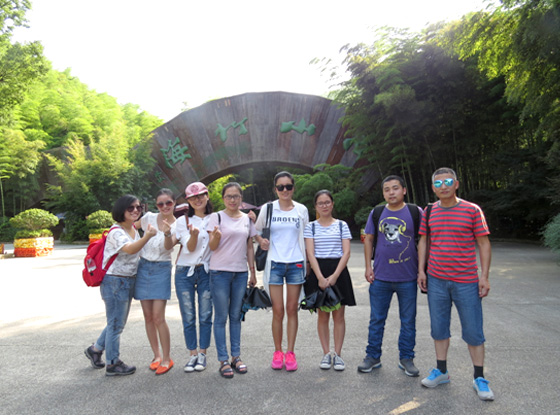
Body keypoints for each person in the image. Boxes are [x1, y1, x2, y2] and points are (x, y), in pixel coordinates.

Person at [417, 167, 494, 401]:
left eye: (448, 182)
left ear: (457, 184)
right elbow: (423, 241)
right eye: (438, 183)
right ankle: (441, 371)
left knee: (473, 330)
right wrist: (421, 271)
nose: (444, 186)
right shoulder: (429, 211)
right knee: (439, 328)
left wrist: (484, 276)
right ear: (433, 188)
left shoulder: (472, 210)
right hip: (436, 280)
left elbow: (484, 243)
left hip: (466, 281)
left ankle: (479, 377)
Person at [357, 175, 423, 377]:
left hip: (408, 277)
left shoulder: (415, 212)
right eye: (387, 189)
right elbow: (369, 239)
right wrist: (368, 267)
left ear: (404, 190)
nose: (391, 192)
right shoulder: (377, 212)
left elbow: (423, 241)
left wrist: (421, 270)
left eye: (395, 188)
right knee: (376, 319)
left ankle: (407, 358)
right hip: (381, 277)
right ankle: (372, 356)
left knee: (408, 321)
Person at [84, 195, 157, 376]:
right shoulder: (116, 232)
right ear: (121, 210)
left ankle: (95, 349)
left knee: (116, 322)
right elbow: (130, 249)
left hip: (127, 280)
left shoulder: (132, 228)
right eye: (130, 208)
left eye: (138, 207)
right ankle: (113, 363)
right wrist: (148, 236)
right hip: (115, 281)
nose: (135, 210)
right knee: (116, 324)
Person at [255, 171, 309, 371]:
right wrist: (261, 241)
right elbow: (256, 231)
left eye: (288, 186)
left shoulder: (301, 210)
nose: (285, 190)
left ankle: (291, 352)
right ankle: (278, 352)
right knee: (277, 310)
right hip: (275, 263)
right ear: (275, 189)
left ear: (293, 188)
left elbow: (306, 237)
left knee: (292, 308)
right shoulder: (268, 209)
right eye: (280, 187)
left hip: (296, 263)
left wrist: (309, 263)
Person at [207, 182, 257, 379]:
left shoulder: (247, 219)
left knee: (236, 316)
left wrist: (252, 272)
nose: (232, 200)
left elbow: (250, 246)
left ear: (241, 198)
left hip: (240, 273)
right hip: (219, 272)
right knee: (221, 317)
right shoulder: (216, 217)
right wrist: (216, 237)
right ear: (223, 198)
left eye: (236, 196)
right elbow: (212, 246)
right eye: (229, 196)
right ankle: (223, 360)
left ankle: (236, 357)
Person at [163, 182, 213, 373]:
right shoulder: (182, 221)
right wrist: (170, 234)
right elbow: (184, 247)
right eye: (192, 197)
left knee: (206, 314)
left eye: (200, 195)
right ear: (188, 201)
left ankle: (203, 353)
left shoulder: (216, 218)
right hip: (184, 272)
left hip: (206, 271)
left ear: (207, 196)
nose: (197, 200)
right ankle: (192, 354)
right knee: (188, 314)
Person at [304, 190, 355, 371]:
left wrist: (334, 276)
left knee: (339, 316)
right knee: (322, 315)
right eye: (320, 203)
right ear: (315, 207)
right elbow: (310, 253)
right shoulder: (311, 227)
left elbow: (346, 252)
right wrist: (319, 277)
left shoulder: (342, 225)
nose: (324, 206)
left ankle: (338, 354)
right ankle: (326, 353)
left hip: (339, 271)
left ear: (332, 204)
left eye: (327, 202)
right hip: (318, 270)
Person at [133, 188, 176, 375]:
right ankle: (156, 355)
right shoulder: (149, 217)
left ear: (174, 203)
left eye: (168, 203)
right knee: (148, 316)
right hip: (143, 267)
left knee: (159, 317)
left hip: (161, 268)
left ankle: (167, 358)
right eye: (160, 204)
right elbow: (130, 226)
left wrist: (166, 233)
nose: (165, 206)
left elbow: (168, 247)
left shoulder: (177, 224)